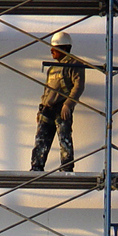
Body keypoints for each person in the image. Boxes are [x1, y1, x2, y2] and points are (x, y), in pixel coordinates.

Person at [30, 31, 85, 173]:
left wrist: (68, 104)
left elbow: (78, 86)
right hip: (47, 109)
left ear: (64, 48)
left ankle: (66, 168)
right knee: (41, 140)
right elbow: (47, 90)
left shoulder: (75, 64)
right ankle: (36, 167)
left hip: (62, 109)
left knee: (64, 138)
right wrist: (41, 109)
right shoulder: (53, 67)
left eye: (55, 48)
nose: (51, 51)